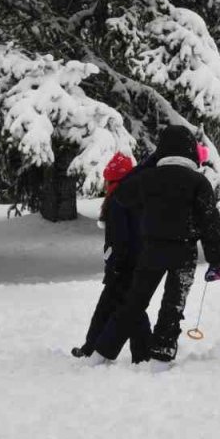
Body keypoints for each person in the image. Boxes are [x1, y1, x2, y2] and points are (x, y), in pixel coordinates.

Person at [89, 125, 220, 363]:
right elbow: (210, 222)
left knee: (134, 302)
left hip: (152, 250)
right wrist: (216, 259)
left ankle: (102, 352)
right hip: (184, 252)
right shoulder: (198, 182)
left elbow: (121, 195)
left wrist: (146, 167)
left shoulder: (147, 178)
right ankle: (162, 353)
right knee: (173, 306)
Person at [71, 151, 143, 359]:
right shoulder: (136, 196)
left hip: (123, 265)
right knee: (130, 308)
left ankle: (93, 348)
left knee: (111, 308)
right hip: (134, 263)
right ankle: (141, 351)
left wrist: (115, 265)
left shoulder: (118, 199)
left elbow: (119, 238)